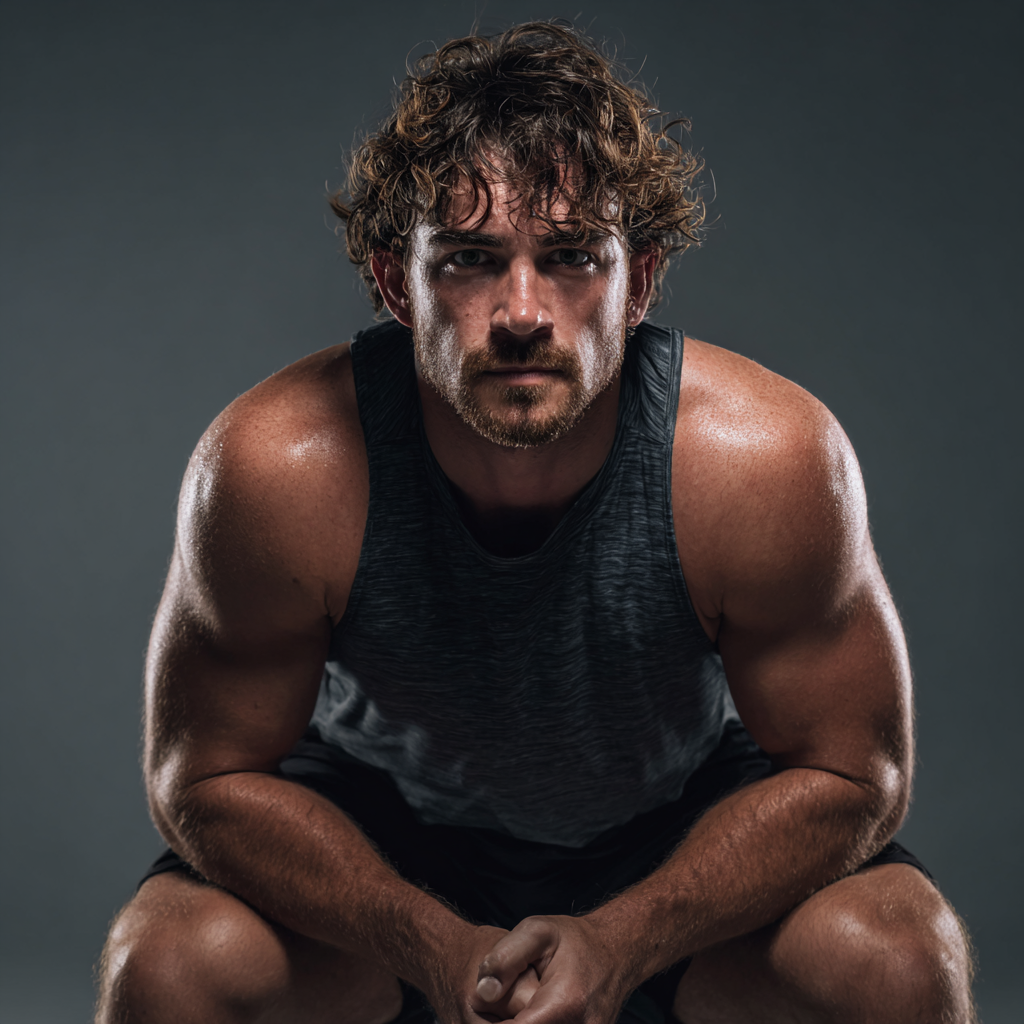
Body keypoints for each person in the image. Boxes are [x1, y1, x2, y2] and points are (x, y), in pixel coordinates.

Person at [95, 21, 975, 1024]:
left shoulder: (763, 461)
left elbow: (853, 769)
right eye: (470, 259)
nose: (522, 310)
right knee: (166, 962)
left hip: (672, 848)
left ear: (636, 281)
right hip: (381, 850)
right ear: (397, 285)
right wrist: (430, 941)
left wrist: (623, 938)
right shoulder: (277, 467)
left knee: (897, 957)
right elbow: (204, 774)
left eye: (569, 257)